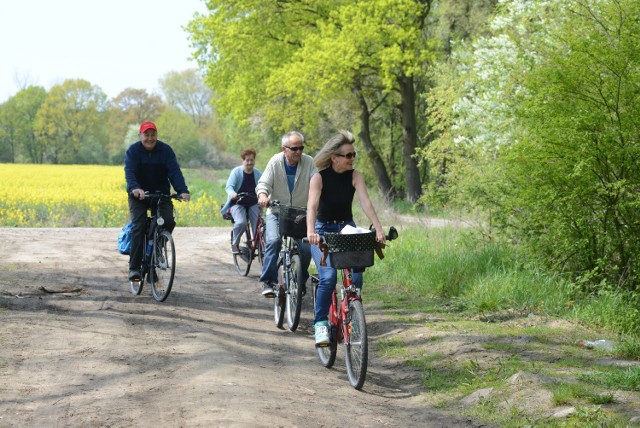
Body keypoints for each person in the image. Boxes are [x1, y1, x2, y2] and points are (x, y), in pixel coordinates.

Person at [306, 130, 385, 346]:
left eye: (353, 155)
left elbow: (365, 203)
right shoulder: (318, 177)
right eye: (348, 155)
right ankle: (321, 323)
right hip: (323, 230)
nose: (352, 159)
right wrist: (311, 232)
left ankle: (351, 313)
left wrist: (378, 229)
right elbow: (311, 207)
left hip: (347, 228)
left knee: (356, 276)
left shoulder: (356, 176)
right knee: (329, 277)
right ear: (334, 158)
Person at [124, 121, 191, 282]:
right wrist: (135, 188)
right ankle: (134, 268)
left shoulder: (165, 150)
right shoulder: (133, 151)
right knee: (139, 226)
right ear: (140, 135)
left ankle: (156, 249)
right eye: (146, 134)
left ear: (156, 135)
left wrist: (182, 190)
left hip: (160, 194)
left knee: (167, 221)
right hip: (138, 195)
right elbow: (130, 172)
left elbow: (174, 171)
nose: (150, 138)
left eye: (153, 134)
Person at [256, 131, 317, 297]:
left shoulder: (309, 162)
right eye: (294, 148)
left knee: (306, 248)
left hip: (300, 213)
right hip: (277, 211)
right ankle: (268, 281)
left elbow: (316, 182)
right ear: (285, 149)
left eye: (301, 148)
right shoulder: (276, 161)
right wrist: (262, 195)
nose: (299, 152)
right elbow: (264, 183)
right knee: (274, 241)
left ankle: (300, 280)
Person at [220, 148, 262, 254]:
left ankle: (258, 244)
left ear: (254, 161)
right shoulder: (236, 172)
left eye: (251, 160)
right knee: (241, 222)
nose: (249, 162)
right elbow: (229, 186)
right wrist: (232, 194)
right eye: (247, 160)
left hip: (253, 202)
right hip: (238, 203)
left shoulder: (257, 174)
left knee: (259, 224)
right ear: (243, 160)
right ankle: (235, 243)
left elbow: (264, 186)